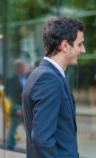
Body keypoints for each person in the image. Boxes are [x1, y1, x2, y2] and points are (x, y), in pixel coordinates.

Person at [22, 17, 85, 158]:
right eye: (80, 45)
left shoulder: (45, 74)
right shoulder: (48, 79)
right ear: (65, 46)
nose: (83, 50)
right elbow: (42, 140)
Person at [5, 60, 27, 149]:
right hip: (17, 110)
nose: (24, 68)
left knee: (29, 130)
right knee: (13, 129)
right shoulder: (11, 81)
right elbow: (11, 96)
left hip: (26, 109)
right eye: (22, 67)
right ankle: (10, 145)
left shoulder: (28, 78)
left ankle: (34, 147)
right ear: (17, 68)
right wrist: (17, 109)